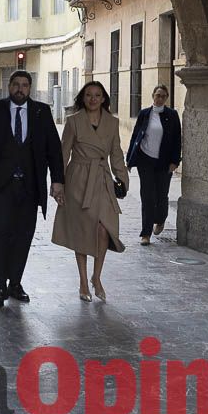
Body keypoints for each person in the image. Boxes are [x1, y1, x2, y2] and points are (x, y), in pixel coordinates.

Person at [0, 70, 65, 308]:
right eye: (16, 85)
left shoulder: (42, 112)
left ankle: (15, 283)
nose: (20, 89)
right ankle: (0, 285)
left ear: (30, 88)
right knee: (0, 233)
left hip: (30, 186)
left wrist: (57, 180)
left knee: (24, 235)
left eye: (25, 85)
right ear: (8, 86)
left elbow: (54, 149)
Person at [52, 81, 130, 302]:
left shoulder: (112, 123)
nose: (93, 99)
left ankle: (97, 276)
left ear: (104, 98)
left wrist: (122, 179)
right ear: (83, 98)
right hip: (78, 180)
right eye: (88, 95)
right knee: (83, 231)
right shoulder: (73, 122)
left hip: (102, 180)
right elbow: (62, 153)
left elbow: (116, 154)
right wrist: (58, 184)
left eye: (97, 95)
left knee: (104, 229)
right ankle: (83, 281)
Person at [126, 84, 182, 246]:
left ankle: (160, 219)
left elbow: (177, 140)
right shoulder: (144, 114)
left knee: (161, 194)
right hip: (145, 160)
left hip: (164, 162)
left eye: (163, 96)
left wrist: (174, 161)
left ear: (166, 98)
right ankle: (146, 233)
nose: (160, 98)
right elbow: (136, 137)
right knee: (147, 196)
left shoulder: (172, 115)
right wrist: (129, 160)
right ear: (152, 96)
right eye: (157, 95)